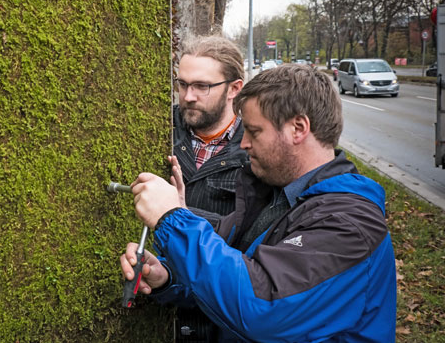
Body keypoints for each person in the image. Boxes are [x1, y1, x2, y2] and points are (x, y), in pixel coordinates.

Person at [121, 64, 396, 342]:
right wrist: (168, 278)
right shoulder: (276, 196)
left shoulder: (348, 225)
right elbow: (229, 276)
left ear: (298, 128)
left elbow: (264, 308)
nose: (244, 144)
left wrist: (173, 218)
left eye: (253, 131)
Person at [169, 36, 247, 340]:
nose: (188, 96)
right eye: (182, 84)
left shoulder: (255, 152)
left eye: (202, 86)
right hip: (160, 304)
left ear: (234, 88)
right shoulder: (160, 130)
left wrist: (177, 213)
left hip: (219, 318)